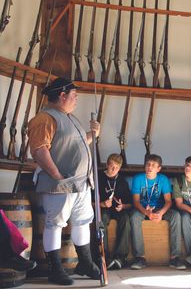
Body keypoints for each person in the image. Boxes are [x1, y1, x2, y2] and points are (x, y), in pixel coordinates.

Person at [28, 77, 100, 286]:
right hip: (60, 184)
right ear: (62, 95)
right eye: (74, 96)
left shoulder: (70, 118)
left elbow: (76, 143)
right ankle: (55, 269)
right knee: (55, 224)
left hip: (81, 184)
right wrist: (57, 176)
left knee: (82, 221)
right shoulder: (45, 118)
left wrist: (93, 133)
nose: (76, 100)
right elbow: (40, 150)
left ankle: (85, 263)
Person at [130, 154, 185, 270]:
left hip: (160, 209)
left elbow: (168, 201)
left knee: (175, 215)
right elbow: (135, 201)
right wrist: (147, 213)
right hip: (142, 209)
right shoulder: (138, 178)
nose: (150, 167)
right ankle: (140, 257)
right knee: (134, 216)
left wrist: (160, 213)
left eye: (153, 165)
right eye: (148, 165)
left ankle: (175, 257)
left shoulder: (163, 179)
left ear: (158, 168)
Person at [97, 153, 131, 270]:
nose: (113, 170)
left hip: (117, 210)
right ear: (106, 165)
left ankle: (120, 257)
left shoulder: (122, 181)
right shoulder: (98, 178)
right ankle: (104, 257)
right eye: (111, 166)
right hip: (102, 208)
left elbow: (130, 203)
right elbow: (88, 201)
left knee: (126, 219)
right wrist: (102, 204)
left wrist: (123, 206)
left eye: (117, 168)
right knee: (102, 219)